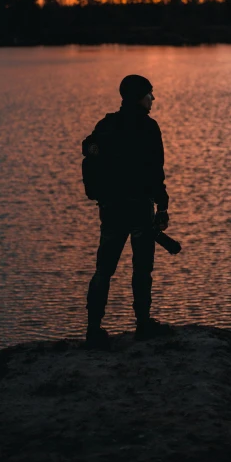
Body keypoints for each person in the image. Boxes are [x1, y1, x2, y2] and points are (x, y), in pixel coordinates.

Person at [85, 74, 174, 349]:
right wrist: (163, 204)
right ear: (139, 97)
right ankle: (143, 324)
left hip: (110, 208)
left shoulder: (106, 124)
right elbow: (155, 170)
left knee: (103, 269)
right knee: (142, 268)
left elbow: (87, 147)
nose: (153, 99)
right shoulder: (148, 127)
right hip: (139, 207)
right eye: (150, 94)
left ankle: (93, 330)